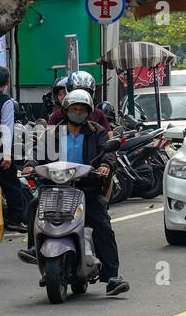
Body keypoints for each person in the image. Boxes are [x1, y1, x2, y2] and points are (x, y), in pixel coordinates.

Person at [18, 89, 130, 295]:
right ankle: (34, 248)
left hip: (86, 188)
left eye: (81, 109)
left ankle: (112, 276)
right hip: (55, 187)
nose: (77, 112)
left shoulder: (97, 132)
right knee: (34, 206)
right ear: (65, 110)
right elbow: (37, 151)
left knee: (102, 224)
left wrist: (106, 165)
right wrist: (30, 164)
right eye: (74, 109)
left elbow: (109, 153)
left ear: (88, 112)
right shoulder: (52, 133)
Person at [0, 66, 30, 231]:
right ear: (7, 82)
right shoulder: (5, 101)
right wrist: (7, 155)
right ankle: (15, 218)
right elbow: (6, 128)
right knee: (12, 184)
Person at [48, 71, 112, 132]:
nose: (82, 95)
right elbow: (49, 139)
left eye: (86, 91)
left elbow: (108, 137)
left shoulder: (98, 114)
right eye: (78, 91)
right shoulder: (57, 115)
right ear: (69, 92)